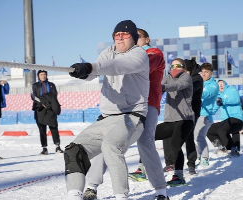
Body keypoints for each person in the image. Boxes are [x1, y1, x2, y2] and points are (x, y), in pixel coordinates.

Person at [64, 20, 154, 200]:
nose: (120, 38)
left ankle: (121, 196)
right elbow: (96, 72)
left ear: (134, 38)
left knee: (110, 146)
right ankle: (74, 196)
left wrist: (90, 67)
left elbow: (116, 66)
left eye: (125, 35)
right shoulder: (108, 52)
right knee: (73, 150)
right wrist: (83, 72)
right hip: (106, 117)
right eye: (116, 35)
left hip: (131, 116)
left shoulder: (139, 54)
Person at [83, 28, 169, 200]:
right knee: (107, 141)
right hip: (121, 106)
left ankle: (161, 191)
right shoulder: (119, 55)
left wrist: (114, 62)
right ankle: (91, 187)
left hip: (147, 104)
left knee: (145, 142)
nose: (135, 40)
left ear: (146, 39)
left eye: (138, 37)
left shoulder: (153, 53)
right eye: (133, 37)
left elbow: (134, 65)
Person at [155, 58, 195, 187]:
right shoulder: (167, 77)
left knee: (175, 144)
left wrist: (162, 87)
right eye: (172, 65)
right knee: (147, 135)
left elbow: (176, 86)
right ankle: (142, 168)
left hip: (185, 119)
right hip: (169, 120)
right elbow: (157, 86)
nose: (174, 67)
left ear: (183, 67)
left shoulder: (186, 77)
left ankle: (179, 176)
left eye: (177, 65)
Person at [162, 59, 203, 175]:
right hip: (174, 113)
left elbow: (184, 86)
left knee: (188, 137)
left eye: (184, 69)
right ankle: (170, 163)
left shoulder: (196, 79)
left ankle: (191, 164)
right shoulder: (173, 77)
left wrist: (167, 86)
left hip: (190, 113)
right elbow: (164, 84)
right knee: (167, 136)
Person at [207, 80, 243, 157]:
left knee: (222, 130)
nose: (220, 86)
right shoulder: (218, 96)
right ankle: (221, 147)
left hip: (236, 118)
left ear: (225, 84)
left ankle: (233, 149)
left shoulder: (231, 90)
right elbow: (213, 109)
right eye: (219, 85)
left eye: (222, 84)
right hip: (226, 121)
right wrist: (205, 113)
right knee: (210, 129)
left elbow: (236, 99)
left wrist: (223, 101)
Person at [31, 70, 63, 155]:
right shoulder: (35, 85)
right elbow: (33, 96)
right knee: (42, 129)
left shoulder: (52, 85)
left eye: (44, 74)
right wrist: (42, 102)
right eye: (41, 75)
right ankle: (44, 149)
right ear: (38, 76)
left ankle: (58, 147)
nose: (43, 76)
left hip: (50, 108)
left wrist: (48, 104)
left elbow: (54, 96)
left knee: (54, 127)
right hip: (40, 108)